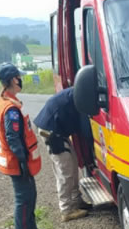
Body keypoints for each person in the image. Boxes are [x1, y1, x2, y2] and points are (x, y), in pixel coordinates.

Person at [0, 63, 45, 229]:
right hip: (16, 161)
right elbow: (12, 137)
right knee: (23, 198)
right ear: (13, 79)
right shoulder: (11, 109)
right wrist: (22, 160)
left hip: (17, 160)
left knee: (31, 194)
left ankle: (31, 228)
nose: (20, 80)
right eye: (18, 77)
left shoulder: (6, 100)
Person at [33, 87, 92, 222]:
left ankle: (76, 201)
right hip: (51, 133)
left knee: (73, 163)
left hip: (57, 130)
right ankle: (66, 210)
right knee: (65, 170)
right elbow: (85, 129)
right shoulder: (82, 98)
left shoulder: (80, 92)